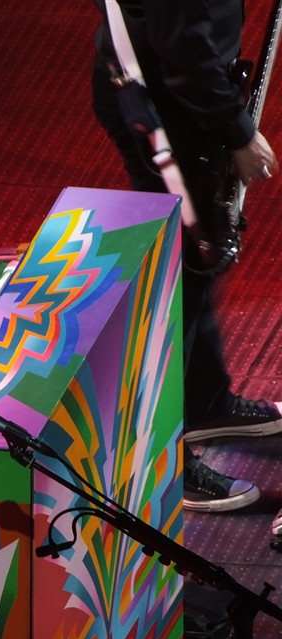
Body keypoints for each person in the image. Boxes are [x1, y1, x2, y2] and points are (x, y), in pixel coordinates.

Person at [90, 0, 281, 513]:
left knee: (199, 257)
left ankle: (204, 401)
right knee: (183, 272)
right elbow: (183, 51)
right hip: (167, 106)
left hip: (169, 87)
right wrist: (238, 131)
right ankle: (163, 460)